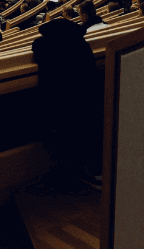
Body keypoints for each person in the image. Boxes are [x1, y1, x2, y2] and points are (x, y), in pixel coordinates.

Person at [31, 18, 102, 192]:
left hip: (60, 108)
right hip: (88, 103)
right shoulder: (82, 45)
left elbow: (37, 47)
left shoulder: (45, 47)